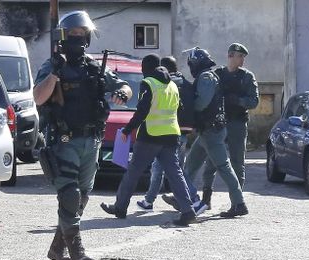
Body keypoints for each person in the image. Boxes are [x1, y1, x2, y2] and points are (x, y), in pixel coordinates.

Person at [33, 11, 132, 260]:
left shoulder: (93, 66)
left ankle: (57, 247)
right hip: (64, 140)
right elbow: (38, 98)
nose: (78, 40)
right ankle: (76, 251)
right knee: (69, 195)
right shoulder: (52, 65)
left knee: (82, 197)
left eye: (82, 35)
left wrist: (123, 91)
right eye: (73, 36)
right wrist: (54, 74)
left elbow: (123, 85)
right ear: (64, 38)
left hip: (92, 141)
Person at [100, 54, 197, 226]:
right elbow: (179, 109)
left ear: (145, 68)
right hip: (171, 135)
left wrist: (128, 130)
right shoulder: (172, 85)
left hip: (150, 136)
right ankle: (188, 210)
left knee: (133, 172)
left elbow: (142, 111)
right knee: (175, 174)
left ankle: (120, 207)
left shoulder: (148, 83)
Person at [162, 47, 248, 218]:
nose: (190, 67)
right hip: (206, 131)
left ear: (197, 63)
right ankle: (183, 198)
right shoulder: (206, 76)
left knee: (224, 167)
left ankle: (239, 204)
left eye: (191, 63)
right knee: (190, 165)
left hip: (212, 131)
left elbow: (202, 102)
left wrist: (187, 111)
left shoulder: (206, 77)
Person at [199, 43, 259, 209]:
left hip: (237, 123)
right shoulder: (218, 74)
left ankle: (236, 202)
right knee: (211, 161)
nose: (243, 60)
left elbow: (254, 101)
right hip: (218, 123)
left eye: (243, 57)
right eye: (240, 57)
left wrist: (239, 101)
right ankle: (206, 199)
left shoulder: (247, 77)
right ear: (231, 56)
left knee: (237, 162)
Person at [136, 56, 193, 210]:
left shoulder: (167, 83)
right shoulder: (186, 83)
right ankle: (181, 200)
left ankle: (151, 201)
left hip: (168, 132)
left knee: (160, 168)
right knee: (176, 169)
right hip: (185, 132)